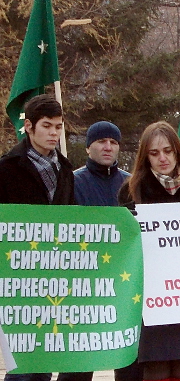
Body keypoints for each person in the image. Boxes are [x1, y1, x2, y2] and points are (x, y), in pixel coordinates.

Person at [118, 121, 180, 381]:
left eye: (168, 151)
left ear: (177, 152)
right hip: (151, 294)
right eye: (155, 153)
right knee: (155, 365)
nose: (162, 158)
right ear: (145, 156)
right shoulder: (132, 189)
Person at [57, 121, 141, 381]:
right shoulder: (72, 181)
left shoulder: (131, 183)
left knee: (129, 362)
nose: (108, 147)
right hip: (83, 286)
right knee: (78, 365)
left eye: (113, 142)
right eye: (101, 142)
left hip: (124, 286)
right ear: (88, 147)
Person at [0, 94, 74, 381]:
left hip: (54, 277)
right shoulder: (7, 168)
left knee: (43, 365)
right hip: (17, 279)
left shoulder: (66, 170)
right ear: (29, 126)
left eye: (58, 127)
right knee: (21, 366)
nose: (54, 133)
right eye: (47, 126)